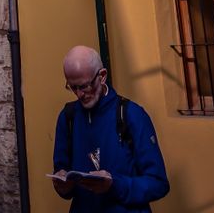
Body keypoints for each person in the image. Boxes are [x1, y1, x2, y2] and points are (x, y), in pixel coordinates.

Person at [51, 45, 169, 210]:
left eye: (84, 86)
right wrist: (62, 186)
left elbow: (159, 183)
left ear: (102, 76)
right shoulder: (68, 117)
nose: (79, 94)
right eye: (72, 87)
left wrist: (114, 185)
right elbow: (62, 174)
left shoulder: (132, 115)